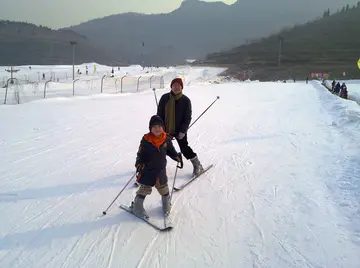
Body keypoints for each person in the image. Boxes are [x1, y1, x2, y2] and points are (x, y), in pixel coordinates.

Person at [130, 115, 183, 218]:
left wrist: (177, 157)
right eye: (154, 127)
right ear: (150, 128)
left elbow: (171, 151)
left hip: (161, 170)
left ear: (163, 127)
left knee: (164, 188)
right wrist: (139, 163)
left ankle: (166, 203)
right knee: (145, 189)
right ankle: (137, 206)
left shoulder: (166, 139)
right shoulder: (146, 140)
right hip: (148, 170)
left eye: (159, 126)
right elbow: (140, 154)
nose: (157, 129)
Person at [157, 78, 204, 176]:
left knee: (184, 148)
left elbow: (187, 117)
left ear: (182, 87)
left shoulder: (185, 100)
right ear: (171, 86)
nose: (176, 87)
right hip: (165, 130)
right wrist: (159, 127)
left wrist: (183, 131)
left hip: (179, 130)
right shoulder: (164, 98)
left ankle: (197, 165)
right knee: (159, 148)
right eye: (174, 85)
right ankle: (155, 168)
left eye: (178, 85)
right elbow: (159, 114)